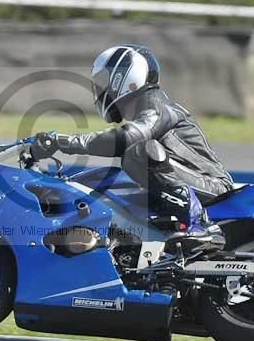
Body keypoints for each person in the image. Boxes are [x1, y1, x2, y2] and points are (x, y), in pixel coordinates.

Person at [31, 44, 233, 236]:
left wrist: (63, 142)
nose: (100, 89)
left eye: (103, 81)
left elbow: (128, 137)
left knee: (139, 152)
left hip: (212, 185)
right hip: (190, 180)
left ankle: (197, 221)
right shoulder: (150, 108)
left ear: (125, 78)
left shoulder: (156, 105)